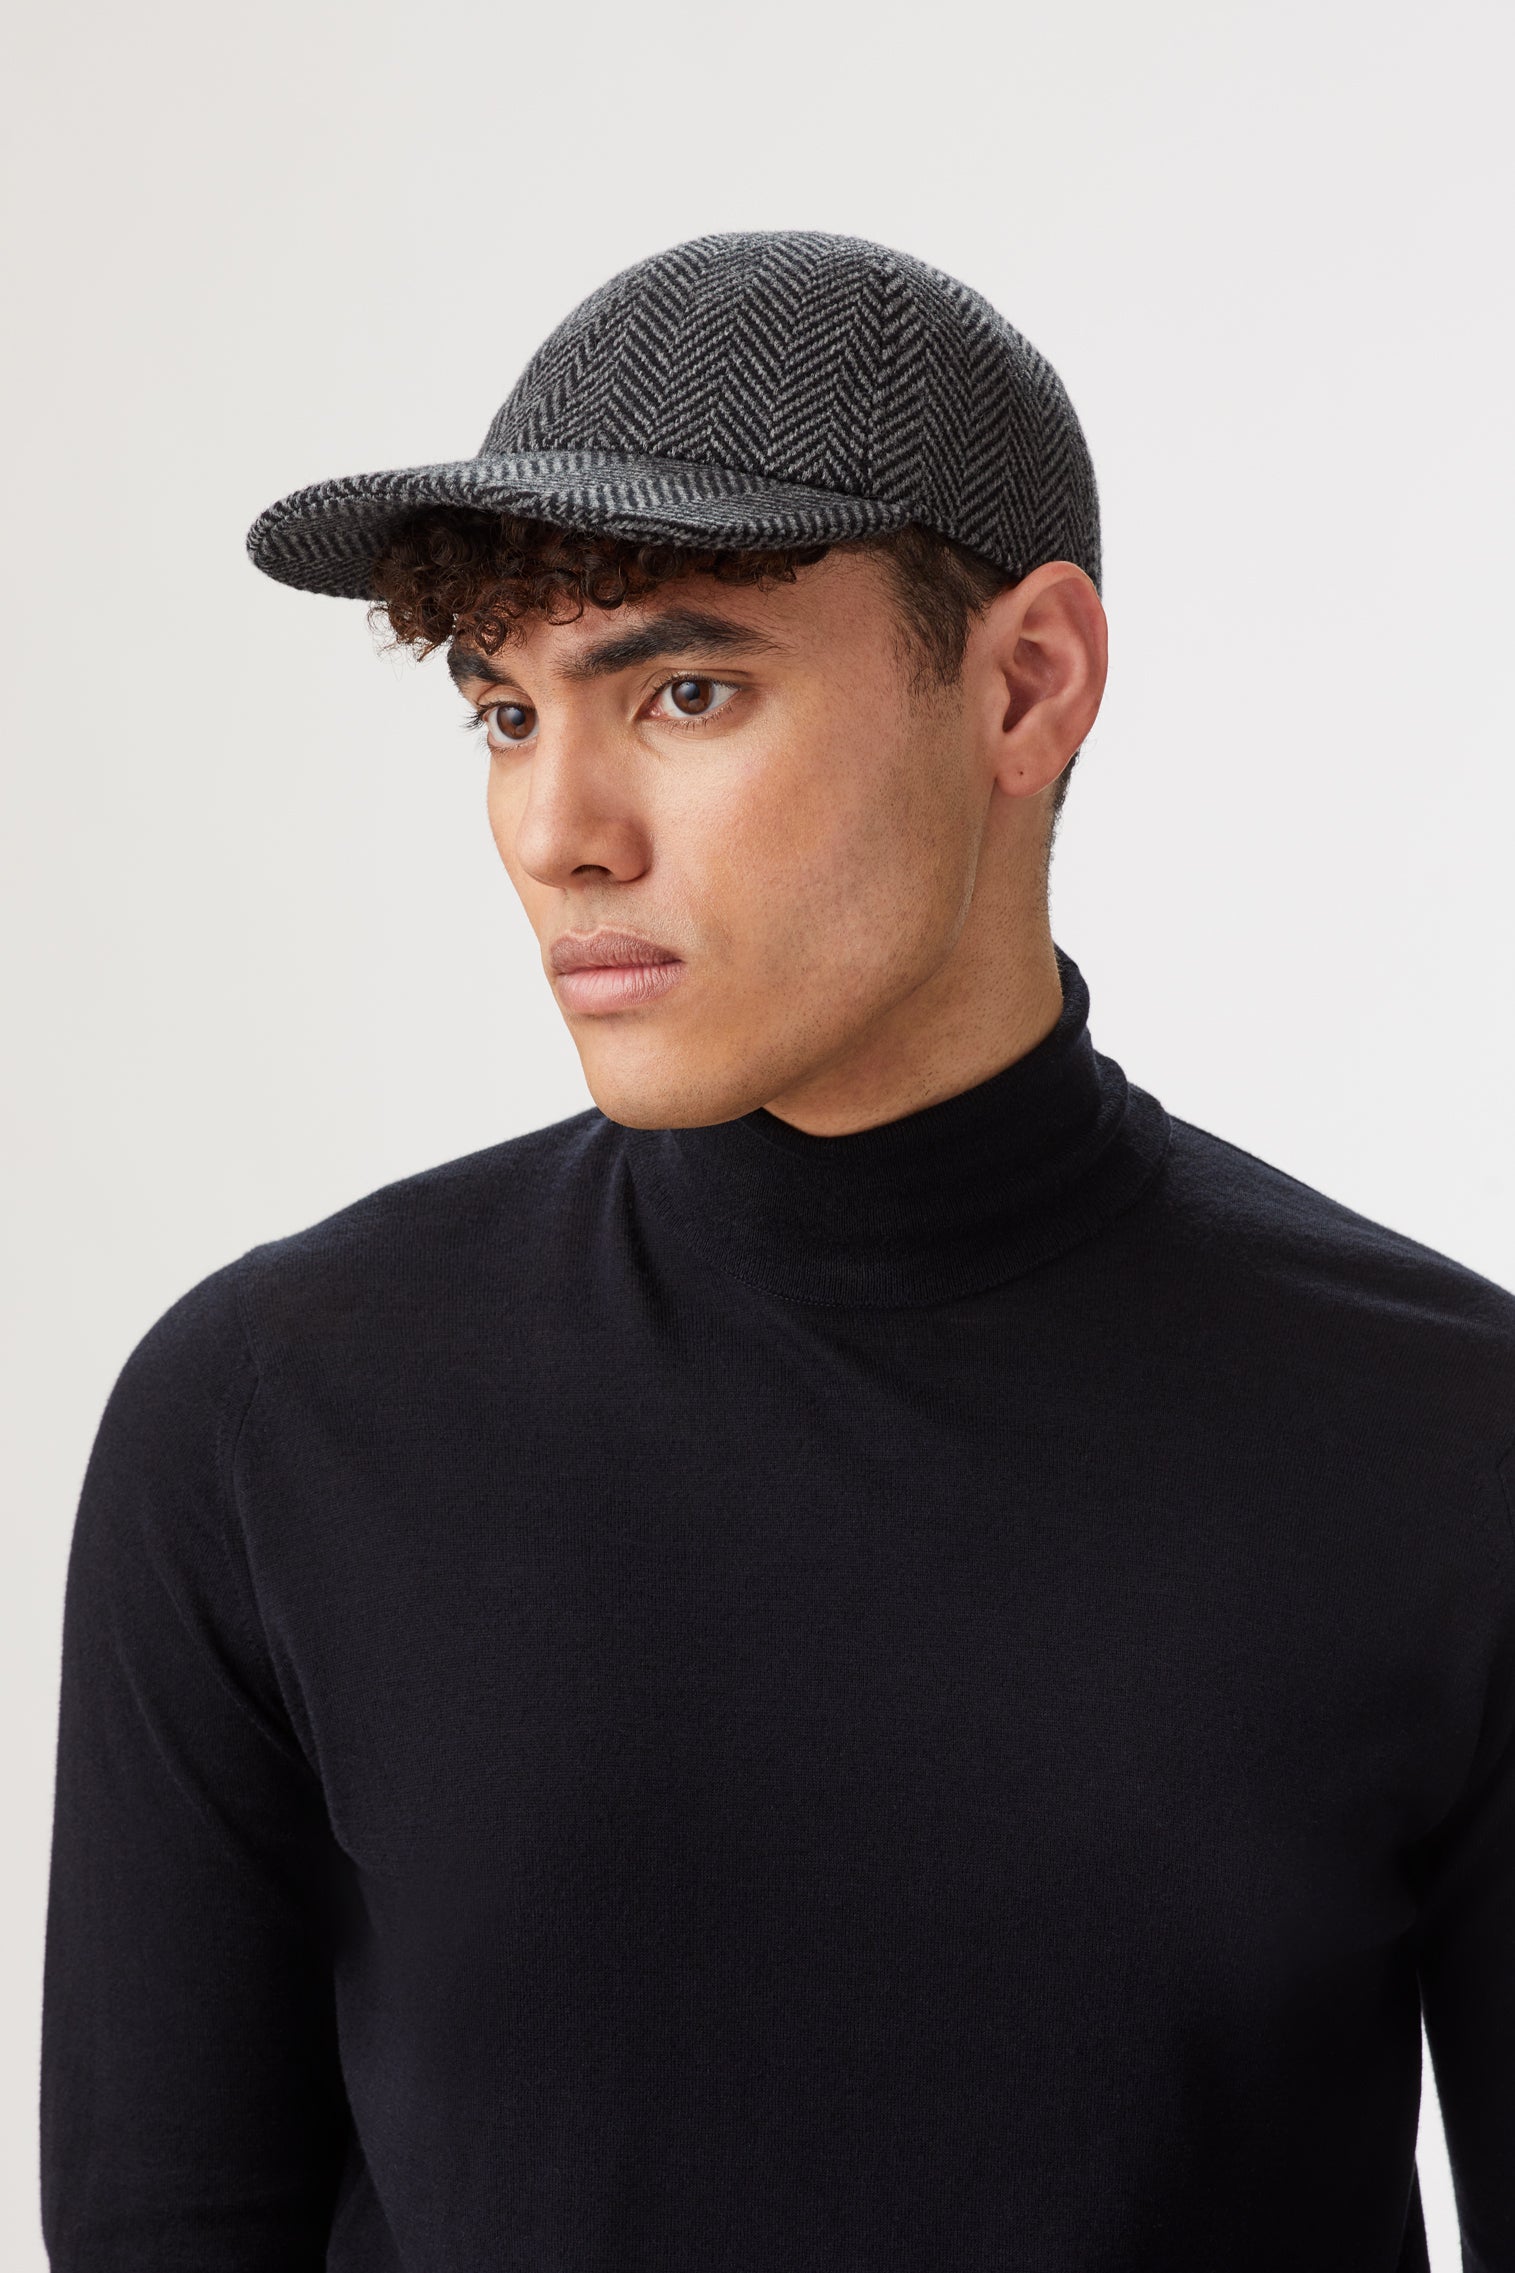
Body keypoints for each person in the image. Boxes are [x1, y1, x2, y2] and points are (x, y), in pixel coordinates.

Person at [39, 230, 1515, 2273]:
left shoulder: (1445, 1444)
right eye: (502, 713)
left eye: (687, 690)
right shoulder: (271, 1418)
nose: (557, 829)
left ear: (1024, 683)